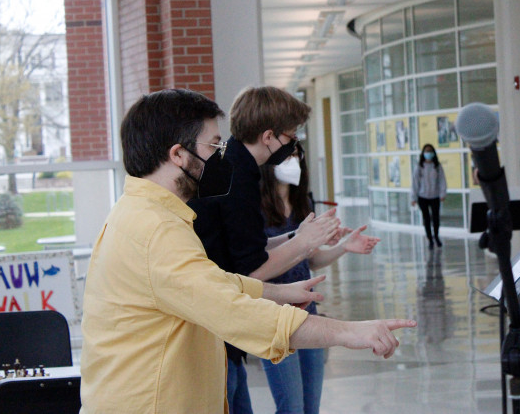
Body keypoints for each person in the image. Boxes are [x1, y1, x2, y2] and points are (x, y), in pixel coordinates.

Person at [79, 88, 416, 414]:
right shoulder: (157, 231)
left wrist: (276, 292)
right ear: (178, 154)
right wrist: (351, 332)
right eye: (213, 146)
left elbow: (210, 285)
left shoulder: (141, 214)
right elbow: (234, 311)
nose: (222, 156)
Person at [189, 86, 345, 414]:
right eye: (292, 136)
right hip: (213, 326)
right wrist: (303, 243)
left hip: (221, 330)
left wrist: (300, 237)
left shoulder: (233, 166)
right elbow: (250, 270)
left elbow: (248, 246)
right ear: (269, 136)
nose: (294, 144)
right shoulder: (236, 176)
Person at [259, 147, 381, 414]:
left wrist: (344, 247)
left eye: (297, 157)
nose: (294, 162)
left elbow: (311, 259)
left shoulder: (304, 203)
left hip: (307, 314)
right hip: (274, 318)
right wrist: (299, 242)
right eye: (287, 156)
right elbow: (256, 263)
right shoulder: (254, 207)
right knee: (291, 407)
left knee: (310, 407)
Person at [411, 144, 447, 250]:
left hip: (435, 196)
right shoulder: (419, 166)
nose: (428, 153)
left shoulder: (437, 166)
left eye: (430, 151)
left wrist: (442, 194)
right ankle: (430, 239)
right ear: (423, 153)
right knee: (426, 218)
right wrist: (413, 197)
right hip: (423, 197)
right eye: (426, 151)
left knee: (436, 218)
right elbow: (415, 183)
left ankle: (436, 236)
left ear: (434, 153)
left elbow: (442, 181)